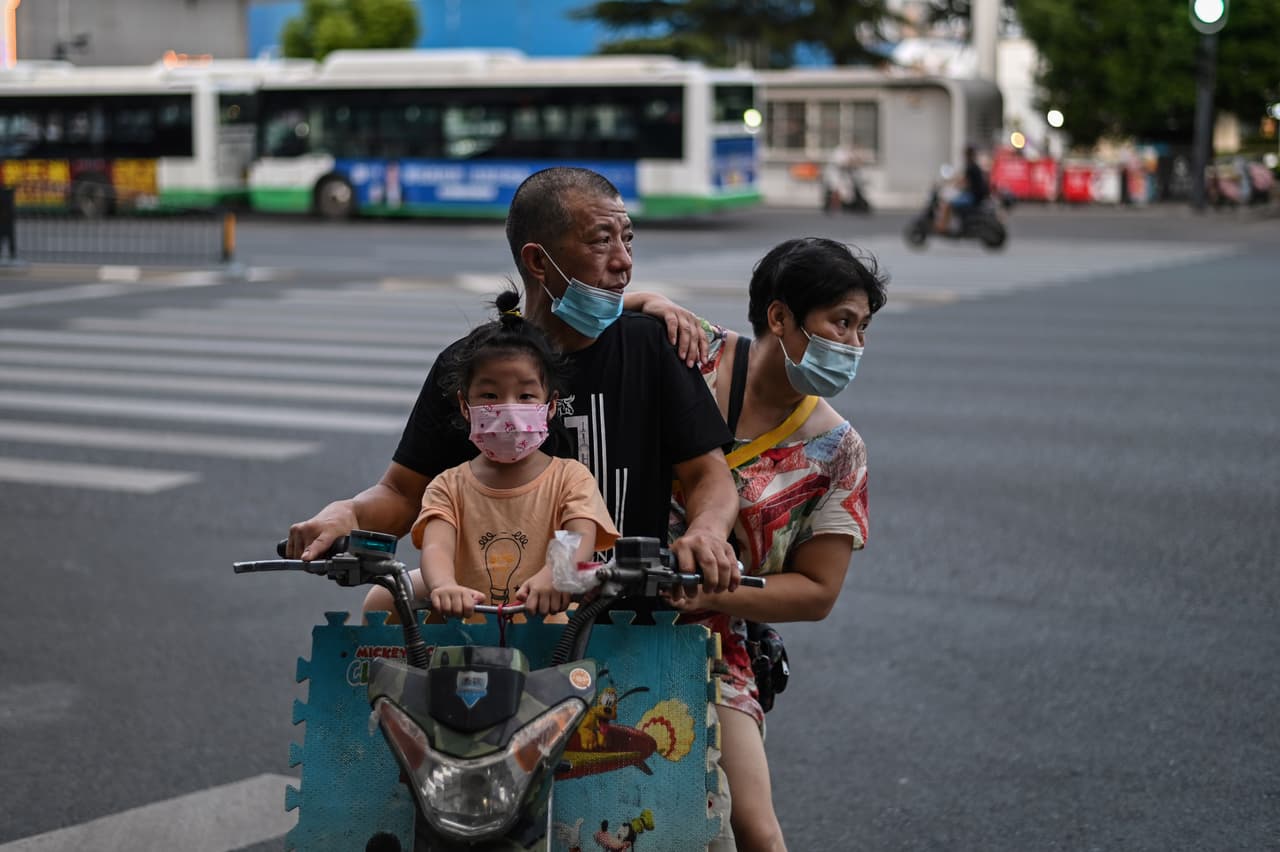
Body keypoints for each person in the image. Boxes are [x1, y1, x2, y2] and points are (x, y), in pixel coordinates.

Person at [285, 166, 741, 611]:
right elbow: (404, 494)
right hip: (492, 622)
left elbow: (708, 475)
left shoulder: (650, 346)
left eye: (627, 238)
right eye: (602, 240)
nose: (623, 261)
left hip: (630, 622)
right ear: (538, 261)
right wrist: (347, 512)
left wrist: (707, 530)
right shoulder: (471, 367)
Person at [627, 237, 887, 852]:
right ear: (779, 317)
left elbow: (818, 591)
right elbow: (603, 322)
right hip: (591, 599)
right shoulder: (694, 353)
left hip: (712, 639)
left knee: (755, 830)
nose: (853, 345)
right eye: (840, 323)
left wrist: (720, 593)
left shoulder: (838, 451)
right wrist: (652, 300)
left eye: (862, 328)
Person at [414, 290, 620, 619]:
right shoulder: (447, 487)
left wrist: (554, 574)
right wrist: (443, 586)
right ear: (465, 406)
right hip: (464, 649)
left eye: (525, 395)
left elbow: (579, 534)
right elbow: (437, 546)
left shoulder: (571, 479)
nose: (508, 409)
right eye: (490, 394)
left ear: (550, 405)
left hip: (552, 652)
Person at [936, 144, 989, 234]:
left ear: (968, 155)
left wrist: (953, 185)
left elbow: (963, 181)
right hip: (977, 195)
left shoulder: (971, 167)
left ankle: (942, 227)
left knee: (948, 204)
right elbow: (962, 179)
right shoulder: (974, 166)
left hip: (972, 197)